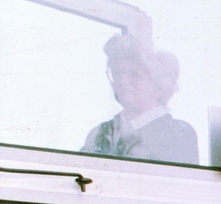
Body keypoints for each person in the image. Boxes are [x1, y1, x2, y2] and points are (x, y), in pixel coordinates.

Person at [82, 34, 198, 164]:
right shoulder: (100, 133)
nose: (123, 81)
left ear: (160, 85)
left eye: (134, 74)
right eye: (117, 73)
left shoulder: (177, 134)